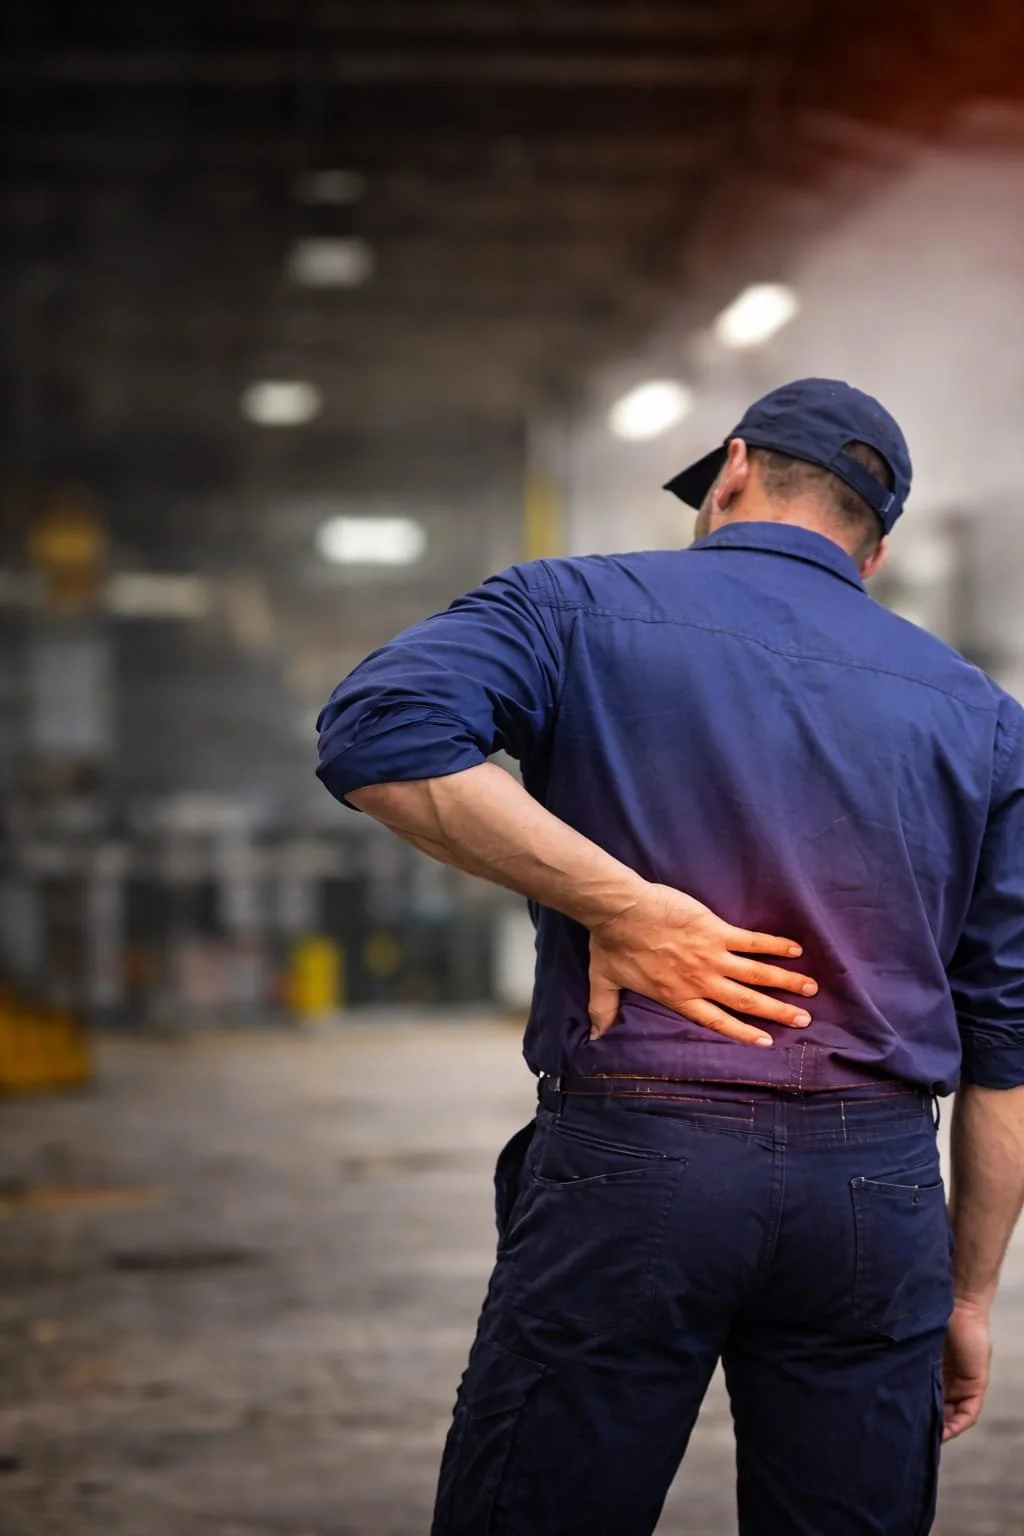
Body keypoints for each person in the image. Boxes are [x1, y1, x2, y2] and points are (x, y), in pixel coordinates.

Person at [316, 378, 1024, 1535]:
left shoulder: (571, 607)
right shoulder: (981, 716)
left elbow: (381, 732)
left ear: (732, 470)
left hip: (642, 1161)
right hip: (874, 1194)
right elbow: (1004, 1043)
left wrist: (625, 906)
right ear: (875, 550)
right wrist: (970, 1293)